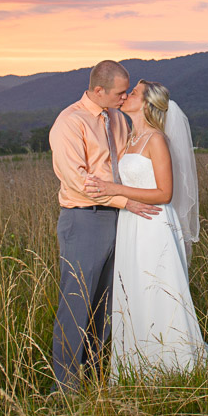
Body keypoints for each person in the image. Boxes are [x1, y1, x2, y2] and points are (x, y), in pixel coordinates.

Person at [84, 80, 208, 380]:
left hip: (154, 224)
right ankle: (137, 362)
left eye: (133, 93)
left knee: (156, 287)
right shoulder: (131, 138)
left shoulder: (156, 139)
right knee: (133, 288)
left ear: (146, 103)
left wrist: (115, 188)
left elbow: (164, 193)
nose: (127, 94)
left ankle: (172, 361)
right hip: (131, 223)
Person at [48, 60, 160, 394]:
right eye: (119, 92)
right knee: (76, 303)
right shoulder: (70, 123)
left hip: (121, 220)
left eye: (127, 92)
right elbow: (80, 182)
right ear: (99, 90)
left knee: (108, 305)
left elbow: (124, 166)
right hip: (84, 219)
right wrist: (126, 202)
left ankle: (97, 378)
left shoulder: (116, 118)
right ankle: (64, 389)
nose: (124, 97)